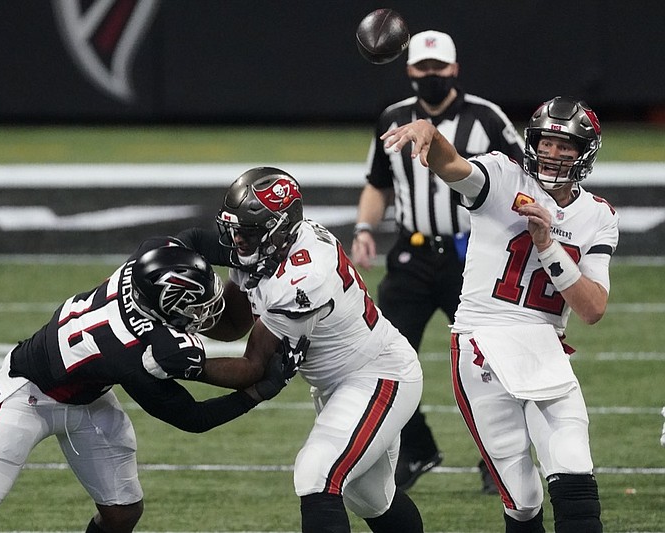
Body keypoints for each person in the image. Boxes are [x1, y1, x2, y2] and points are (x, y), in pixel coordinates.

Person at [0, 238, 307, 533]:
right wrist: (259, 391)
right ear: (166, 305)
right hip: (29, 394)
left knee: (122, 513)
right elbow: (190, 418)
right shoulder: (140, 352)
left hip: (88, 395)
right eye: (192, 304)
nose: (203, 312)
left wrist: (246, 259)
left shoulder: (143, 265)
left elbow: (190, 237)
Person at [381, 96, 617, 533]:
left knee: (575, 473)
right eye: (546, 142)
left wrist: (547, 245)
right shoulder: (506, 177)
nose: (553, 153)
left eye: (566, 146)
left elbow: (592, 308)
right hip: (482, 343)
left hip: (545, 346)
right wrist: (432, 138)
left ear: (585, 152)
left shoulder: (597, 216)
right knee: (523, 500)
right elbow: (455, 167)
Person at [178, 167, 425, 533]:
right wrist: (181, 311)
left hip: (378, 374)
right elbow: (232, 324)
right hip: (341, 383)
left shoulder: (304, 277)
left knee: (317, 474)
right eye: (234, 230)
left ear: (278, 229)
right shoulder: (268, 247)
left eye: (246, 232)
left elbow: (253, 368)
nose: (236, 242)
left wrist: (181, 361)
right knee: (372, 498)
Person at [351, 29, 524, 494]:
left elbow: (520, 178)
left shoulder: (485, 117)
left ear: (454, 68)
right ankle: (417, 447)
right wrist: (365, 229)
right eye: (422, 68)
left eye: (438, 67)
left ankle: (498, 458)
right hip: (411, 255)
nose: (430, 75)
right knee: (381, 355)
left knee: (490, 361)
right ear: (409, 70)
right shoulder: (393, 117)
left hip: (473, 255)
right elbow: (377, 182)